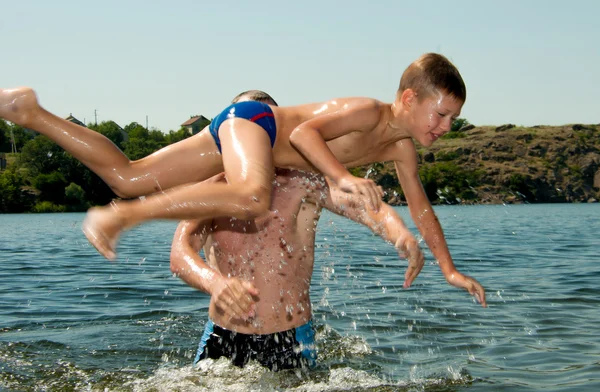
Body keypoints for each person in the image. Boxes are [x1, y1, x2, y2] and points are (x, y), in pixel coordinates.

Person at [0, 53, 466, 270]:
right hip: (255, 119)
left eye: (452, 119)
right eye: (441, 114)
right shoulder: (366, 110)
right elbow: (304, 133)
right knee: (252, 196)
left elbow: (421, 208)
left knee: (129, 176)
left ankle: (30, 113)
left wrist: (447, 266)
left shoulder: (402, 149)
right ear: (409, 98)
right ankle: (125, 216)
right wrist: (341, 177)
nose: (444, 126)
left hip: (237, 128)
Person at [170, 167, 432, 370]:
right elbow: (181, 253)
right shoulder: (213, 191)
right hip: (222, 333)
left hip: (291, 337)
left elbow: (364, 206)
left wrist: (401, 235)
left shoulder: (304, 184)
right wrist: (215, 282)